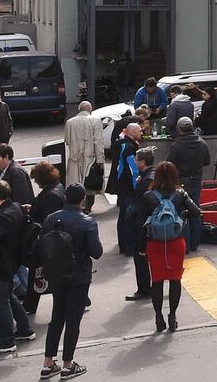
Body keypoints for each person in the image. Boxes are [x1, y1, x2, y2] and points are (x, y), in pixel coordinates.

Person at [39, 184, 103, 380]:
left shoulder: (51, 218)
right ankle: (68, 364)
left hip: (57, 274)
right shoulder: (87, 222)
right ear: (82, 199)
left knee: (56, 317)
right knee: (73, 320)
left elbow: (43, 243)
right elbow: (96, 252)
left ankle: (48, 362)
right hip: (79, 276)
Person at [132, 162, 200, 333]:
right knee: (175, 279)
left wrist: (141, 246)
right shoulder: (180, 194)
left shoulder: (148, 196)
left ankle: (158, 317)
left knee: (157, 281)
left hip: (154, 243)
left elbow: (140, 222)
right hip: (176, 242)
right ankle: (172, 316)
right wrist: (181, 215)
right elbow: (196, 212)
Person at [0, 180, 34, 353]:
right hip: (13, 260)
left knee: (1, 302)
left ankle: (6, 340)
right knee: (9, 296)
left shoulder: (2, 215)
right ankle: (24, 329)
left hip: (1, 263)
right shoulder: (16, 208)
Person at [24, 161, 66, 314]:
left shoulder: (50, 196)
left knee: (39, 273)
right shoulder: (58, 188)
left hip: (48, 242)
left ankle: (30, 304)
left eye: (36, 179)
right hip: (56, 242)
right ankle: (30, 303)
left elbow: (48, 220)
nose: (35, 182)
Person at [167, 117, 210, 252]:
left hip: (181, 182)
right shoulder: (202, 143)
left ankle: (185, 245)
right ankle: (195, 243)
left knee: (182, 213)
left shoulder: (177, 145)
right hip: (196, 180)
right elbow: (207, 161)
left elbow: (170, 164)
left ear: (179, 129)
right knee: (195, 211)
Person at [124, 148, 155, 302]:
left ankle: (144, 288)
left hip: (142, 223)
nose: (135, 162)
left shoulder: (147, 180)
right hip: (147, 222)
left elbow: (141, 203)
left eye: (136, 160)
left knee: (141, 256)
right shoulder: (150, 176)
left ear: (142, 162)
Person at [106, 123, 141, 256]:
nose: (141, 132)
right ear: (132, 133)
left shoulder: (122, 144)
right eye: (139, 130)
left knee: (123, 217)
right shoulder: (129, 147)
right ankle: (128, 247)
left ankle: (123, 245)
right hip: (127, 187)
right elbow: (133, 171)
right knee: (129, 218)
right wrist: (136, 187)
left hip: (121, 185)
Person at [64, 101, 104, 212]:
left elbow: (67, 140)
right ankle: (87, 207)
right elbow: (99, 142)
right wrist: (100, 160)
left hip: (74, 157)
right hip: (90, 157)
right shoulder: (95, 121)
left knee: (74, 182)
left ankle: (75, 205)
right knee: (90, 183)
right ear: (89, 110)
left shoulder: (69, 122)